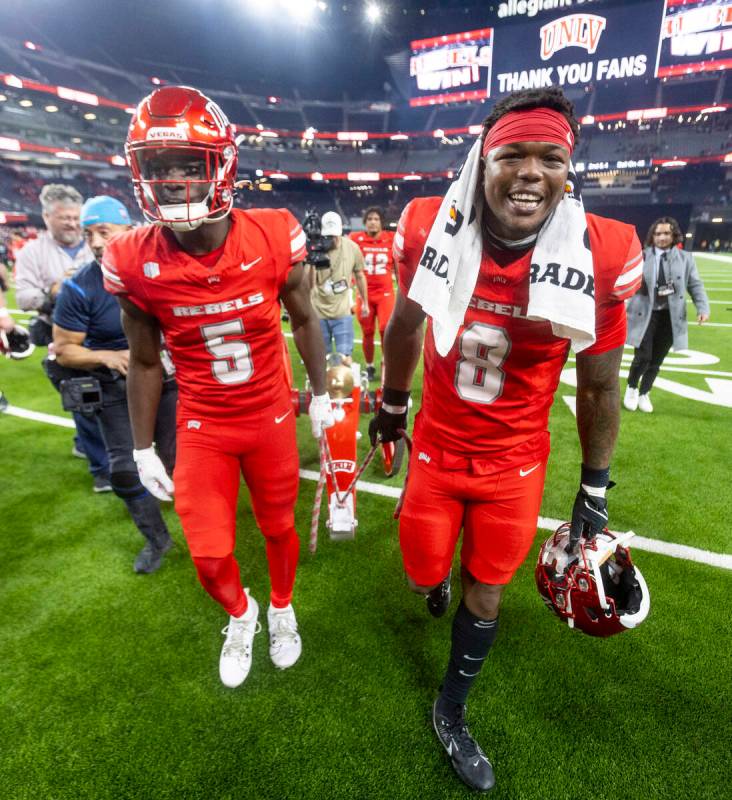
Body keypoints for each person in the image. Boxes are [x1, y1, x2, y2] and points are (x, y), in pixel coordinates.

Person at [370, 87, 643, 792]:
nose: (530, 172)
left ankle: (452, 712)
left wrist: (594, 486)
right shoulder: (432, 223)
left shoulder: (601, 251)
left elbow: (598, 385)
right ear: (482, 159)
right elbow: (405, 324)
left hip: (514, 467)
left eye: (550, 158)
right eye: (512, 154)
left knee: (487, 593)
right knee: (424, 575)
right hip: (434, 449)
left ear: (568, 168)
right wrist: (393, 405)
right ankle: (435, 586)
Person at [102, 86, 334, 688]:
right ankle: (243, 613)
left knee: (279, 528)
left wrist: (322, 393)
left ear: (222, 164)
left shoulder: (272, 234)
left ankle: (281, 606)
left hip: (269, 414)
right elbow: (146, 361)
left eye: (188, 163)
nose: (174, 181)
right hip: (203, 421)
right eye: (160, 167)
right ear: (140, 173)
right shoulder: (132, 259)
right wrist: (143, 444)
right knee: (207, 552)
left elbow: (306, 318)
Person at [53, 196, 177, 574]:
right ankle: (157, 539)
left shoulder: (160, 270)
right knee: (123, 469)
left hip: (168, 380)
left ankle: (203, 523)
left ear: (129, 230)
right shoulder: (80, 288)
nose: (94, 242)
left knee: (180, 463)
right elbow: (64, 350)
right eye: (88, 233)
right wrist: (107, 356)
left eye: (103, 232)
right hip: (114, 386)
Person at [15, 183, 110, 490]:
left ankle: (89, 443)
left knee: (113, 399)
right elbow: (24, 297)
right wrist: (55, 291)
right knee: (83, 398)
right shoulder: (32, 252)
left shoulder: (92, 241)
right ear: (46, 217)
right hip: (63, 335)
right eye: (64, 217)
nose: (71, 223)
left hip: (105, 333)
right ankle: (102, 470)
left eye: (75, 217)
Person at [623, 217, 710, 413]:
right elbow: (626, 280)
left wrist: (702, 308)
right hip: (646, 313)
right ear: (652, 236)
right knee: (642, 356)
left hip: (671, 316)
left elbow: (695, 285)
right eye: (658, 233)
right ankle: (632, 387)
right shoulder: (642, 256)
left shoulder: (686, 258)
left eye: (666, 233)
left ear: (674, 235)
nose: (662, 237)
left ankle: (645, 392)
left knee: (657, 359)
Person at [309, 210, 368, 365]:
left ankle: (345, 386)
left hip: (342, 312)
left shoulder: (352, 248)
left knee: (345, 357)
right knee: (321, 358)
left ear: (340, 231)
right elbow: (308, 284)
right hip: (319, 311)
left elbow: (360, 276)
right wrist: (312, 258)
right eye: (328, 236)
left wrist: (365, 303)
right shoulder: (315, 249)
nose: (331, 240)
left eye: (334, 236)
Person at [350, 206, 396, 381]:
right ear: (365, 222)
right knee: (367, 332)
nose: (372, 222)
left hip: (385, 293)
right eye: (369, 219)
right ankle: (369, 366)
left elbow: (399, 264)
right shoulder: (356, 239)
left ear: (381, 222)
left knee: (386, 328)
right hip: (364, 294)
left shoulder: (390, 239)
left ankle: (386, 362)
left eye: (376, 219)